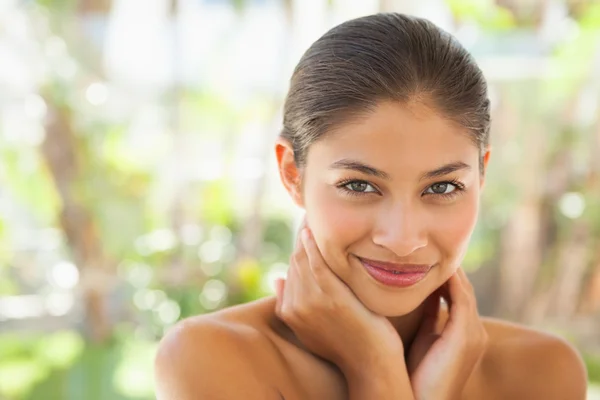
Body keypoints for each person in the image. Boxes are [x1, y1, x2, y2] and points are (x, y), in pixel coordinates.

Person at [154, 13, 587, 399]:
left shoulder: (542, 372)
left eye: (442, 188)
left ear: (482, 175)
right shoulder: (211, 359)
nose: (402, 240)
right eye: (359, 185)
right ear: (292, 173)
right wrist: (373, 368)